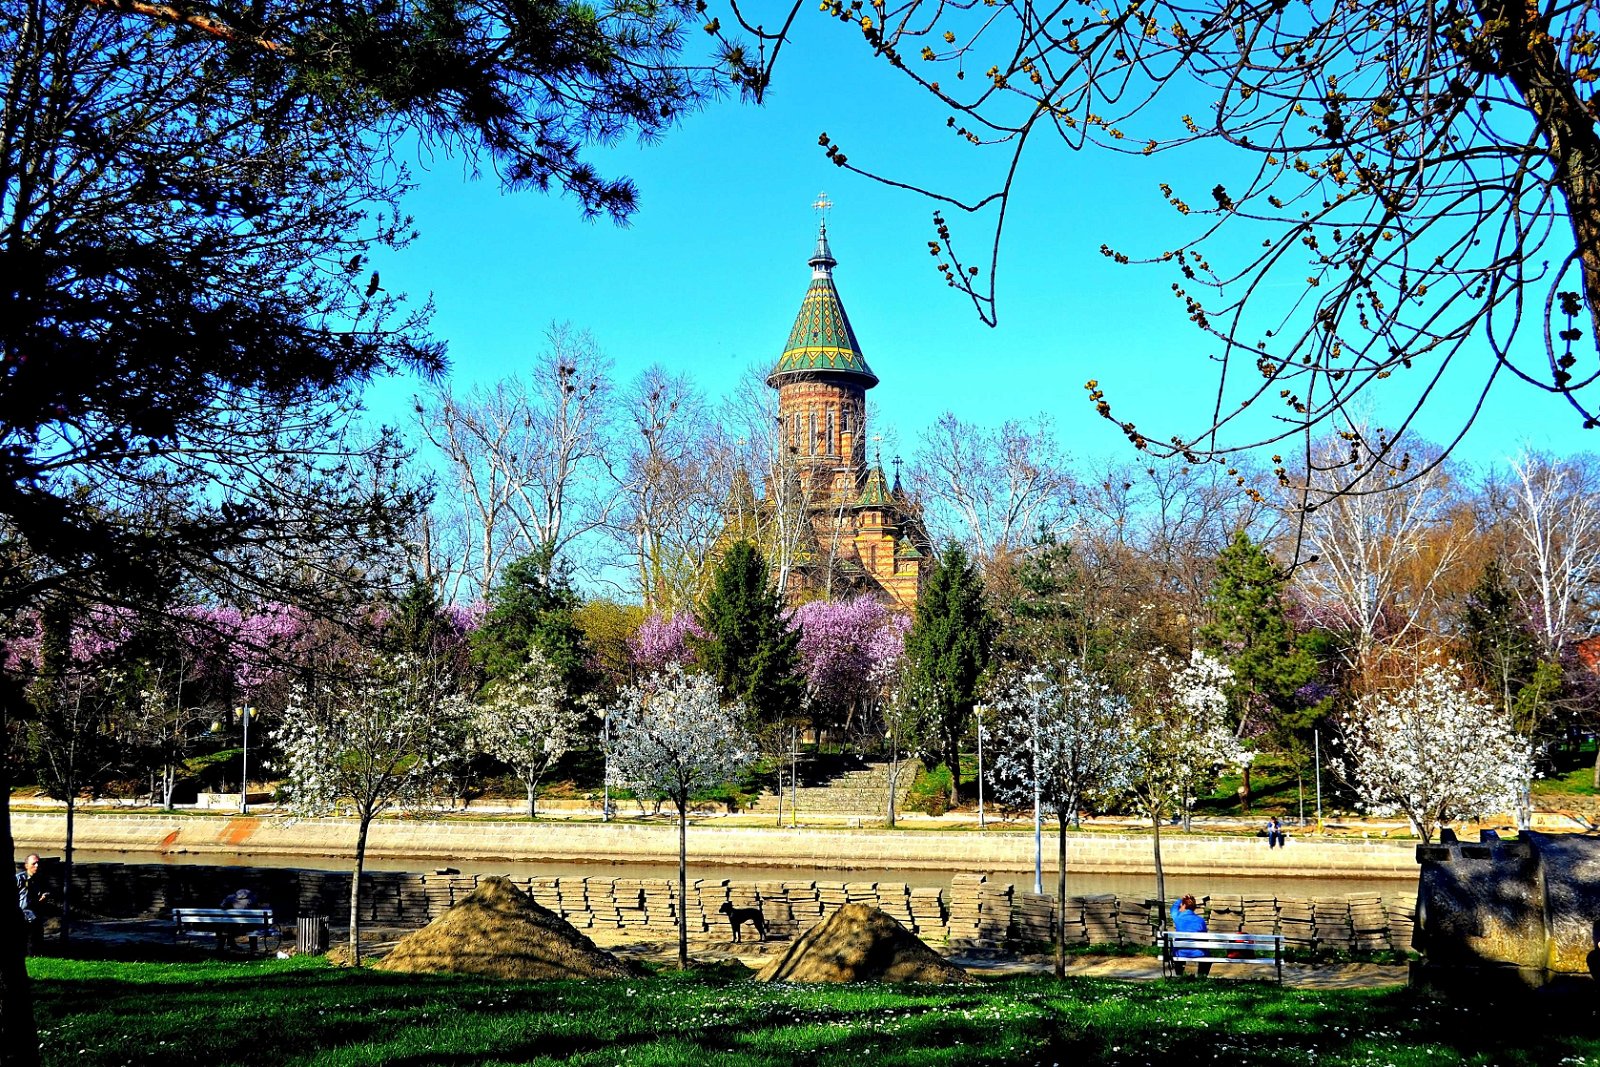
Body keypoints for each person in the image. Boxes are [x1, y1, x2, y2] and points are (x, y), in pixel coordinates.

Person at [1169, 894, 1212, 977]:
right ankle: (1201, 976)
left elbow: (1173, 908)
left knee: (1177, 950)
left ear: (1184, 905)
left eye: (1181, 905)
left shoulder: (1178, 917)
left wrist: (1180, 899)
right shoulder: (1200, 921)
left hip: (1180, 952)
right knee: (1207, 956)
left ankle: (1179, 975)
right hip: (1199, 952)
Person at [16, 854, 47, 953]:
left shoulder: (40, 879)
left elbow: (44, 892)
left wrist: (44, 896)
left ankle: (34, 954)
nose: (37, 866)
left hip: (33, 913)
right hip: (20, 912)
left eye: (38, 863)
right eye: (34, 863)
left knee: (36, 933)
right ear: (26, 866)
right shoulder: (19, 879)